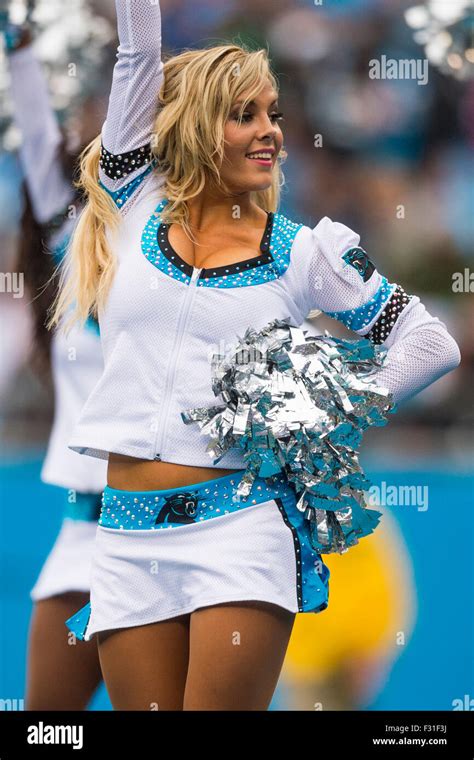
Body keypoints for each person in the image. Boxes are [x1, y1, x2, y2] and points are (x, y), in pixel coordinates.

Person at [49, 0, 460, 711]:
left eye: (273, 114)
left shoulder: (304, 252)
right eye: (245, 114)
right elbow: (138, 50)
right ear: (197, 128)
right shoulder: (131, 200)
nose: (270, 130)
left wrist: (338, 408)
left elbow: (429, 341)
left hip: (240, 531)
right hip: (123, 532)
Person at [4, 21, 107, 709]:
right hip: (82, 533)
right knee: (47, 728)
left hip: (171, 535)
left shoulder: (179, 257)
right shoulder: (70, 253)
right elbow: (39, 143)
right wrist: (17, 44)